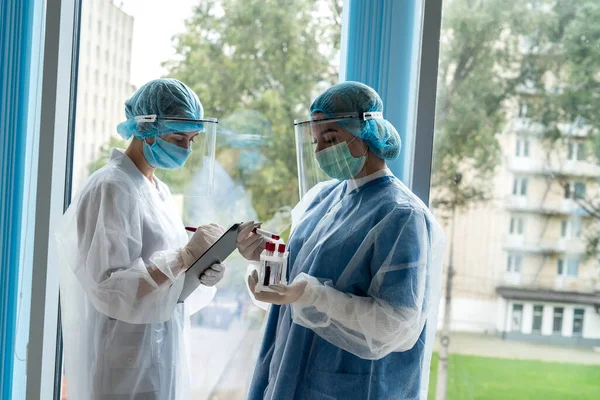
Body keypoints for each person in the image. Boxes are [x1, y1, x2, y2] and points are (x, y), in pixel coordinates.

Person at [237, 81, 445, 400]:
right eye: (315, 141)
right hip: (286, 376)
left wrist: (313, 295)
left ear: (366, 132)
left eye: (330, 138)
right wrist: (265, 259)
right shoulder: (319, 200)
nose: (320, 151)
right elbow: (293, 291)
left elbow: (398, 325)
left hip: (353, 387)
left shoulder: (401, 215)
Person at [56, 78, 226, 399]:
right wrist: (183, 258)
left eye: (192, 139)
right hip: (125, 359)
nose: (186, 149)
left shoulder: (154, 189)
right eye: (178, 137)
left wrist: (200, 270)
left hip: (157, 353)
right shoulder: (111, 187)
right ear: (146, 125)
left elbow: (163, 279)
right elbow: (111, 289)